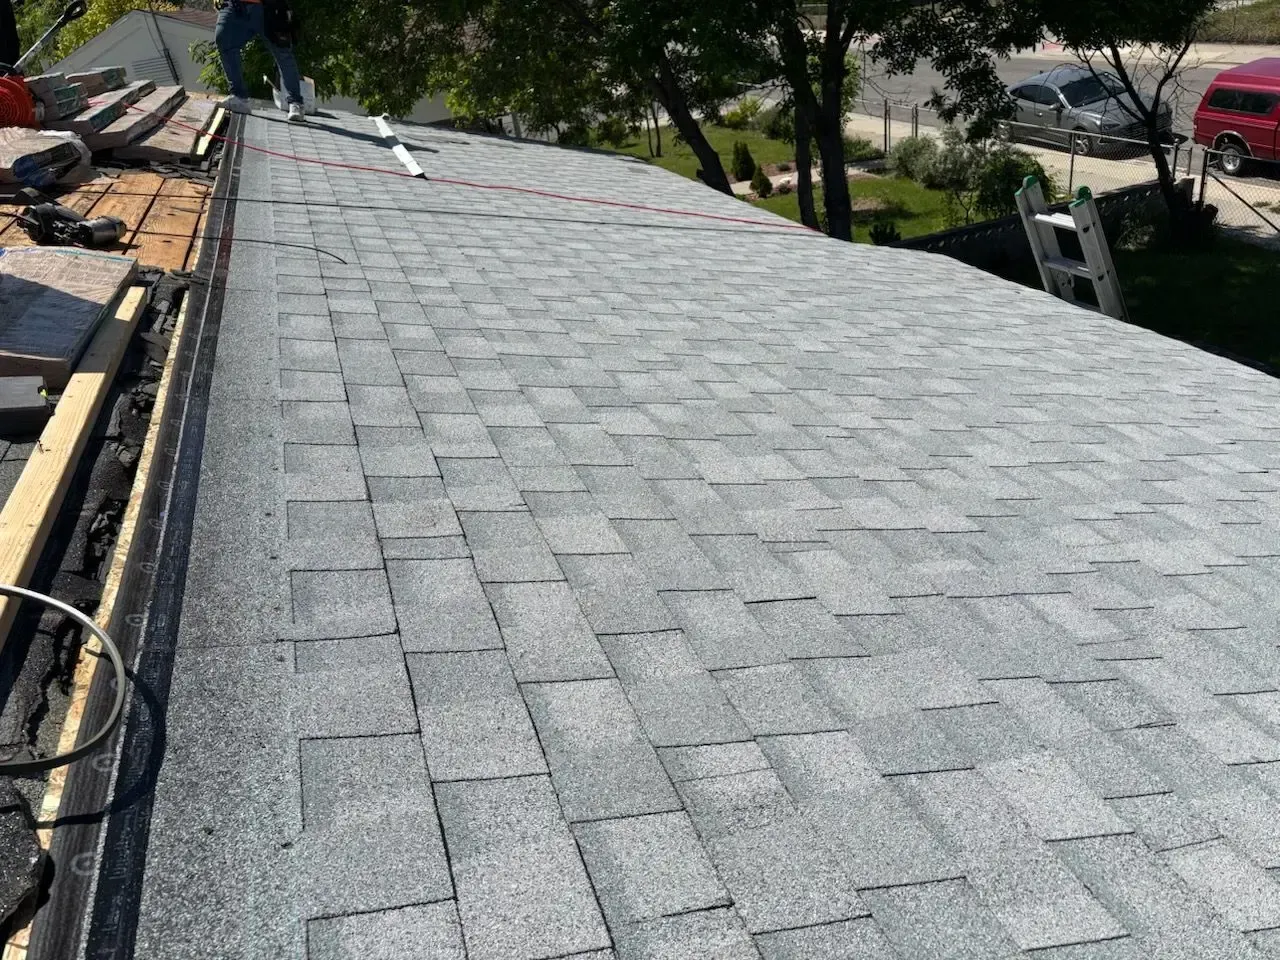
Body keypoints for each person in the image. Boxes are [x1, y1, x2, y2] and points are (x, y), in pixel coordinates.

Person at [214, 0, 305, 122]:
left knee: (283, 52)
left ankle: (295, 102)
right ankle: (239, 97)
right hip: (236, 5)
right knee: (223, 39)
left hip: (268, 7)